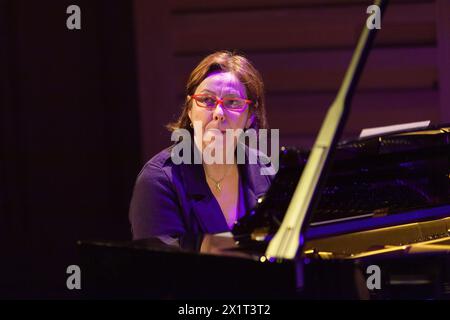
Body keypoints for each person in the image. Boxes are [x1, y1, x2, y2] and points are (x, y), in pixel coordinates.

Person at [129, 51, 274, 251]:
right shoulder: (158, 180)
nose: (218, 113)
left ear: (250, 116)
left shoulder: (266, 169)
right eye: (207, 100)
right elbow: (159, 272)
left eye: (233, 102)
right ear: (190, 109)